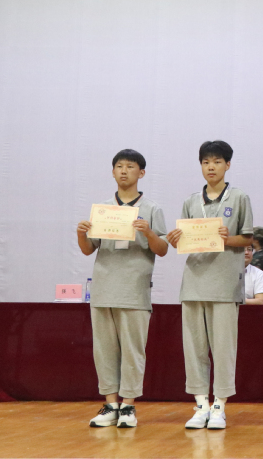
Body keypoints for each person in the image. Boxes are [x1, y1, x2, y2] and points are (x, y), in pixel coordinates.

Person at [164, 141, 254, 430]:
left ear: (228, 165)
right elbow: (186, 242)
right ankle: (201, 404)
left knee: (224, 348)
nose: (211, 167)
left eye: (216, 162)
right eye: (206, 162)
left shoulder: (239, 197)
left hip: (225, 285)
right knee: (195, 348)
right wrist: (176, 240)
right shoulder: (191, 201)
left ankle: (220, 406)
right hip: (194, 283)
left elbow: (248, 238)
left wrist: (228, 238)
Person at [75, 149, 168, 429]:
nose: (124, 171)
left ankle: (128, 405)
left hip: (134, 290)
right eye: (119, 166)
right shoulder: (102, 209)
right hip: (104, 288)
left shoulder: (151, 208)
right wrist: (81, 233)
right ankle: (110, 405)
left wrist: (148, 232)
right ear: (113, 172)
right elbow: (88, 249)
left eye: (130, 166)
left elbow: (162, 249)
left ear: (142, 173)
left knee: (132, 350)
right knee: (104, 350)